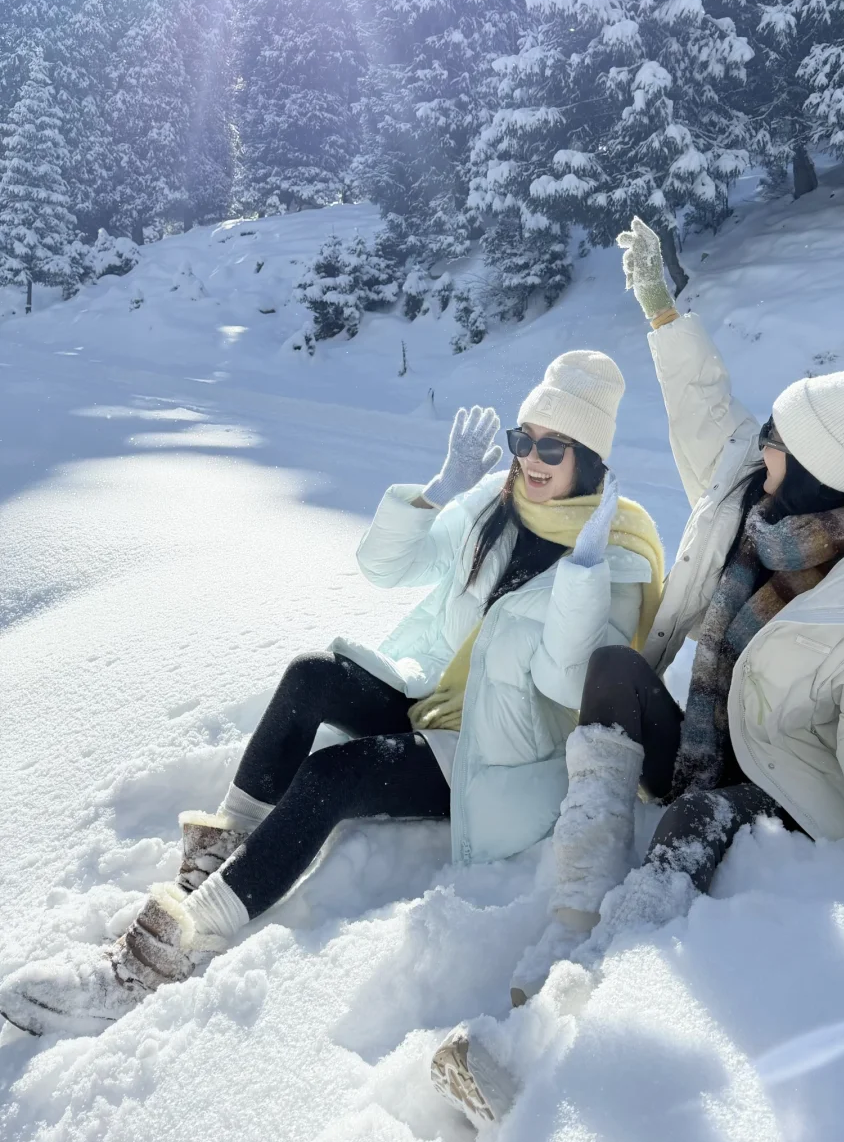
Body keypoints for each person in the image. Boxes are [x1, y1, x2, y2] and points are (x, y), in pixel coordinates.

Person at [430, 218, 844, 1126]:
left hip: (783, 790)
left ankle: (548, 1036)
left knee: (699, 812)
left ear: (815, 476)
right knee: (611, 670)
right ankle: (567, 924)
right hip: (705, 744)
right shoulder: (742, 495)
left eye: (777, 444)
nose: (759, 446)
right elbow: (705, 406)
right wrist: (664, 312)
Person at [0, 350, 664, 1038]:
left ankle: (161, 955)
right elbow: (386, 565)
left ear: (587, 455)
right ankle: (216, 861)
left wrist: (582, 573)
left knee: (332, 775)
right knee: (310, 677)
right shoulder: (502, 506)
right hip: (435, 699)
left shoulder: (612, 555)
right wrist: (438, 493)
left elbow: (567, 684)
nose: (530, 459)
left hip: (493, 751)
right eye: (522, 440)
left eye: (549, 446)